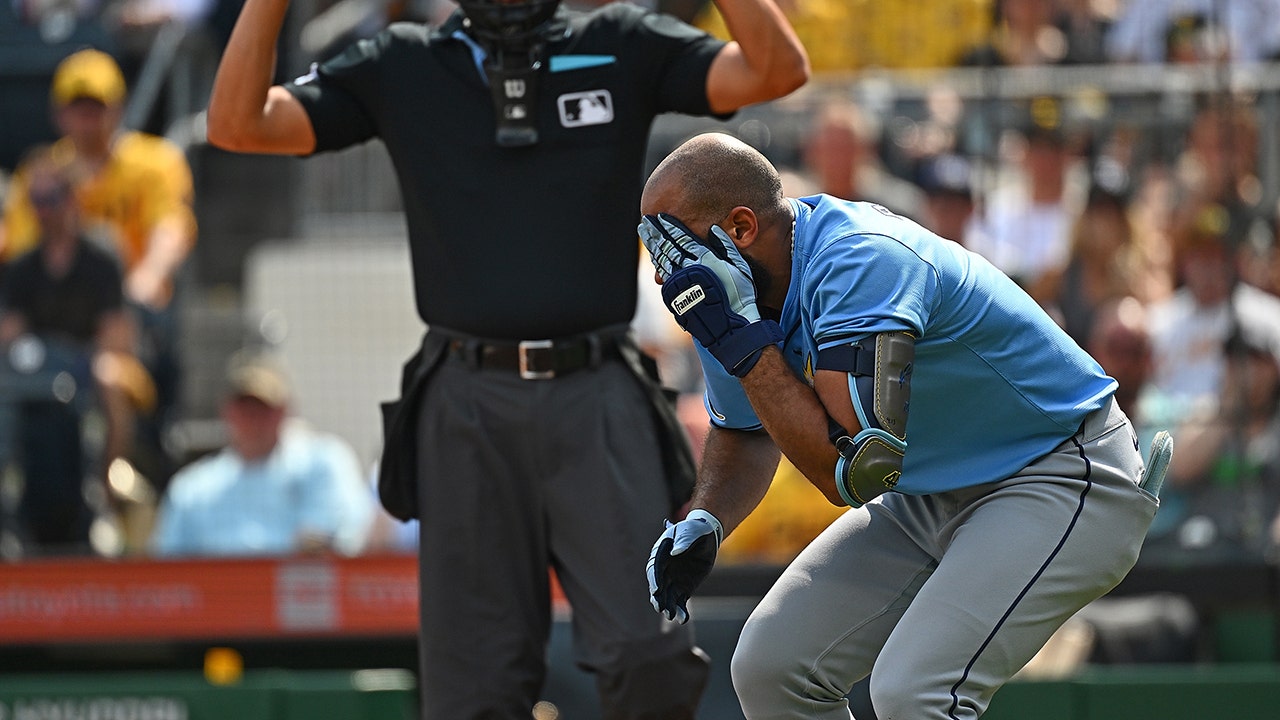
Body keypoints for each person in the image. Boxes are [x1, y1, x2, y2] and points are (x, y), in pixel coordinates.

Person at [203, 0, 808, 716]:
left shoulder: (618, 42)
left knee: (648, 657)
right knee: (475, 693)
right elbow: (238, 123)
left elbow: (776, 70)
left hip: (598, 389)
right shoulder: (405, 64)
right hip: (465, 399)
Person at [639, 132, 1160, 719]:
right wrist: (707, 518)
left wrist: (743, 341)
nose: (664, 271)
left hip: (1060, 469)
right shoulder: (734, 292)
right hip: (933, 488)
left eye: (673, 242)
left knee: (915, 691)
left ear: (739, 228)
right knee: (772, 668)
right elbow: (745, 429)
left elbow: (853, 471)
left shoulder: (859, 260)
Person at [0, 48, 198, 494]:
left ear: (118, 108)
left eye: (96, 107)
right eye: (78, 108)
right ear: (59, 114)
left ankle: (118, 483)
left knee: (113, 369)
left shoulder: (154, 161)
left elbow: (171, 226)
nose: (87, 120)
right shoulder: (44, 172)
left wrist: (146, 277)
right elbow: (22, 250)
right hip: (55, 325)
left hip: (128, 317)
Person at [0, 148, 149, 557]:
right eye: (35, 201)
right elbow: (10, 332)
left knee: (107, 375)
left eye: (51, 199)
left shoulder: (101, 256)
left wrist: (73, 361)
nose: (43, 211)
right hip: (39, 372)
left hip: (93, 366)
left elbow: (116, 337)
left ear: (72, 198)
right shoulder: (24, 266)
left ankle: (108, 490)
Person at [148, 351, 375, 557]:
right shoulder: (192, 489)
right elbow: (166, 566)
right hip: (218, 590)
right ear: (226, 411)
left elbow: (344, 543)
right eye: (244, 408)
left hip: (296, 588)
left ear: (284, 410)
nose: (253, 420)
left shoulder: (323, 462)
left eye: (263, 408)